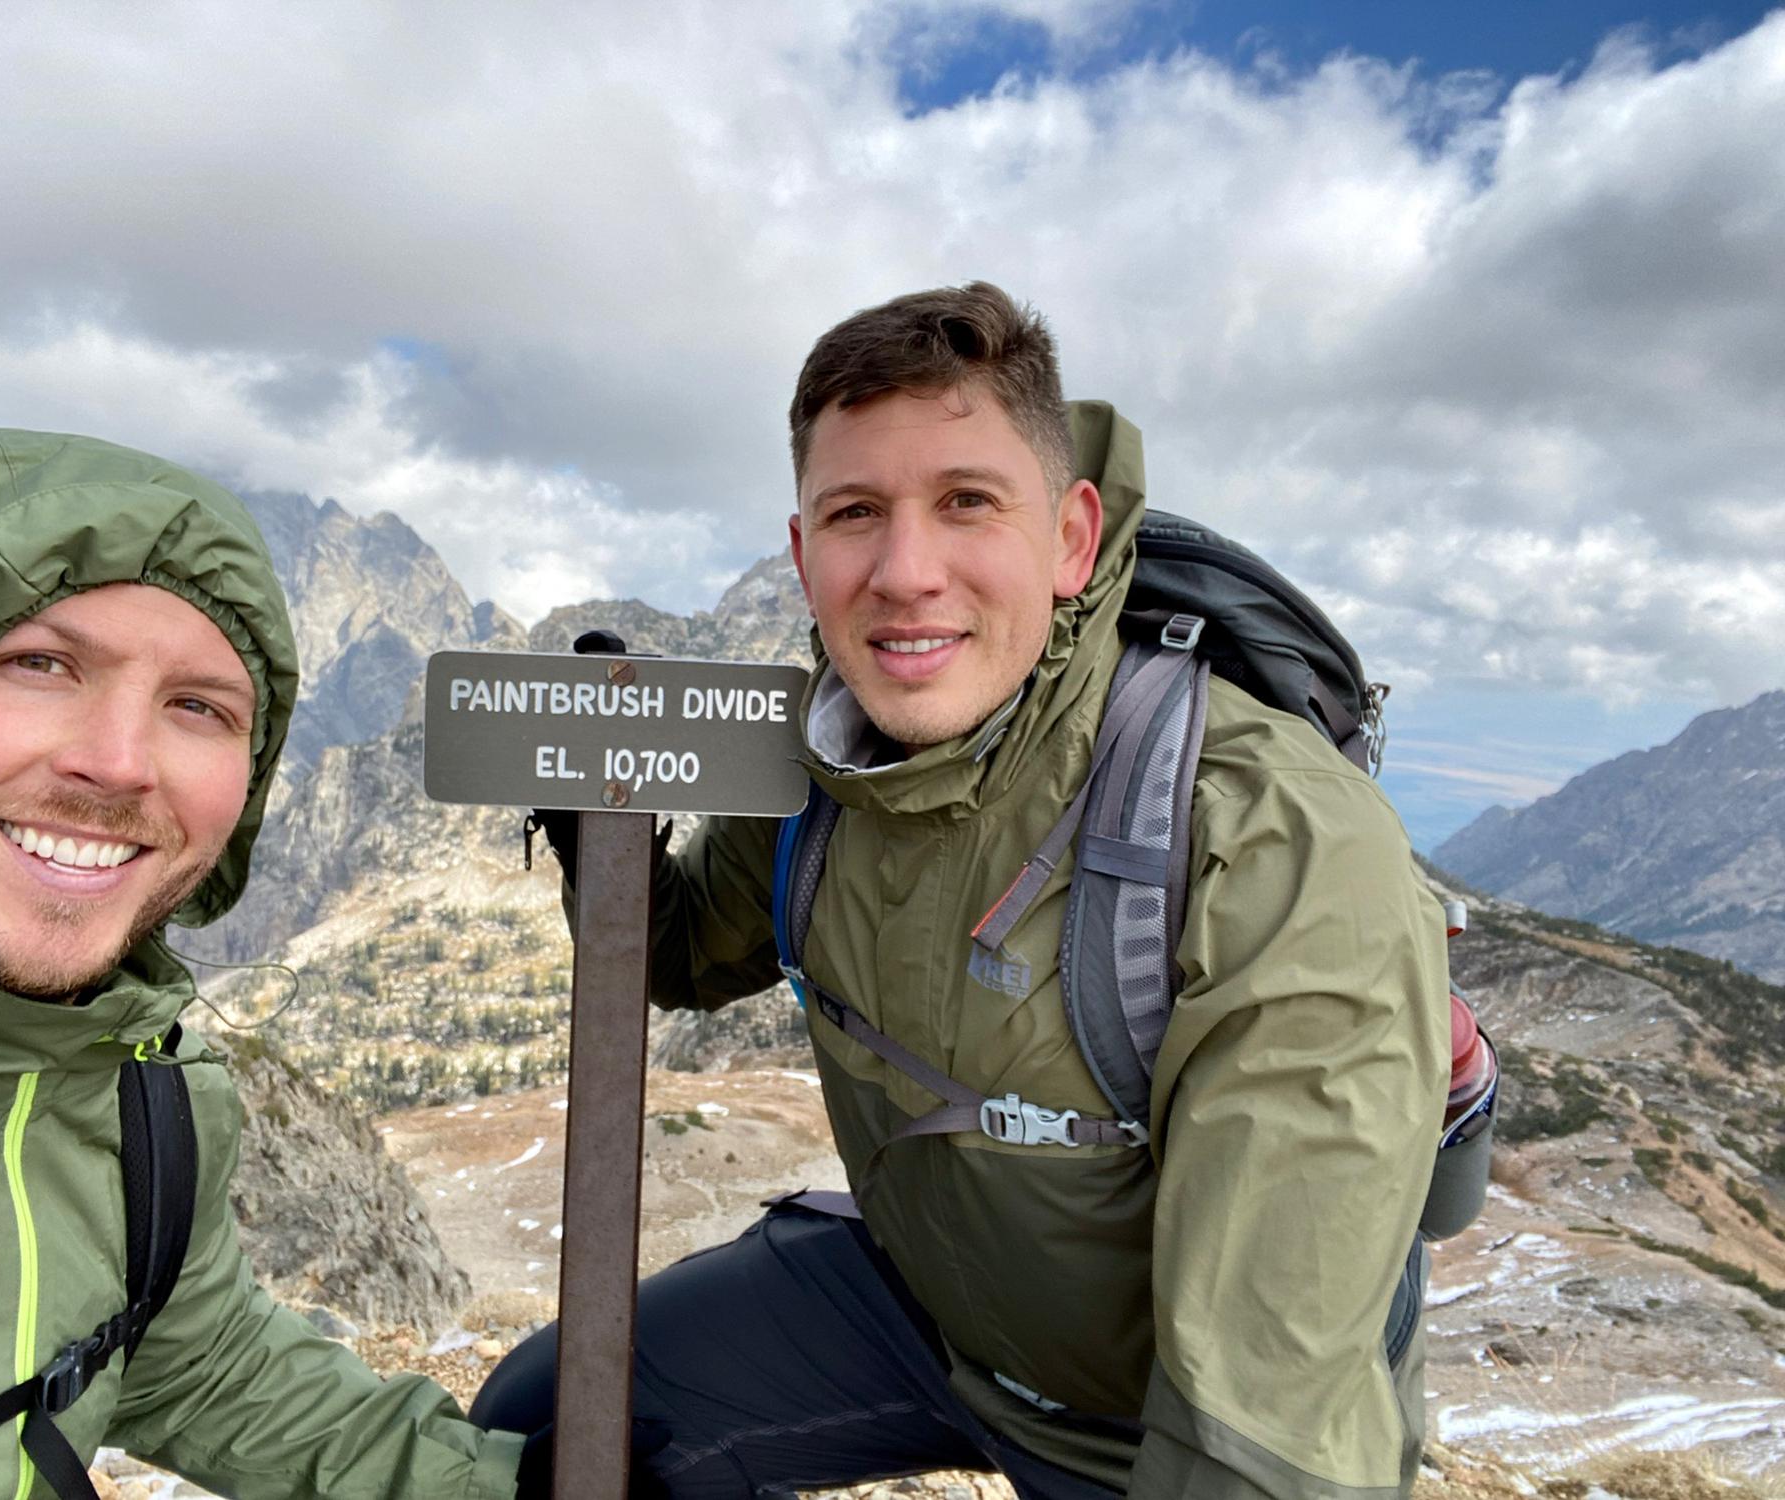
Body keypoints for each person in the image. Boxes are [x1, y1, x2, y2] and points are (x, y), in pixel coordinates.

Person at [481, 283, 1450, 1497]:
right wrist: (599, 828)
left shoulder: (1265, 836)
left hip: (1151, 1425)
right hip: (929, 1311)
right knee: (546, 1427)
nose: (904, 572)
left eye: (965, 504)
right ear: (800, 553)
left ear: (1070, 537)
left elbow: (1263, 1433)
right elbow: (678, 959)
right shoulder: (815, 762)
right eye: (853, 514)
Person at [0, 430, 533, 1499]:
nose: (118, 763)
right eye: (39, 663)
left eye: (198, 707)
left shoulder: (142, 1088)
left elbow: (204, 1369)